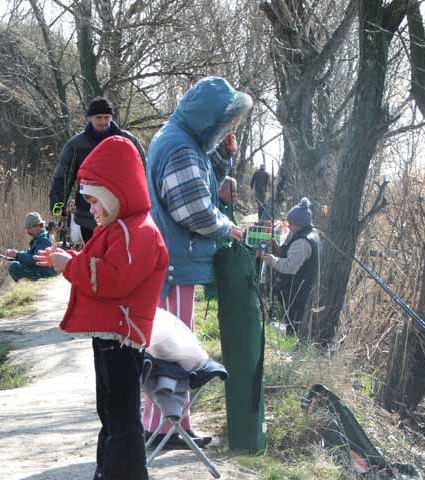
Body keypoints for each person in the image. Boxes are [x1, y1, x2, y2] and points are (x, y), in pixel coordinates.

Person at [35, 135, 169, 480]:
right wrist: (68, 259)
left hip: (122, 338)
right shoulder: (120, 228)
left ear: (115, 195)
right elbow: (97, 265)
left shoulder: (137, 231)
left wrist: (70, 265)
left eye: (95, 202)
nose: (91, 210)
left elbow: (112, 280)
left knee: (121, 417)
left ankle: (124, 473)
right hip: (111, 336)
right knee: (110, 413)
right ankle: (108, 471)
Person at [144, 76, 252, 448]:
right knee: (173, 350)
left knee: (170, 346)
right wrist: (228, 228)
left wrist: (222, 158)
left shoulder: (178, 139)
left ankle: (171, 426)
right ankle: (164, 429)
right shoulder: (181, 148)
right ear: (208, 116)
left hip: (169, 261)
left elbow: (197, 185)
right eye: (222, 122)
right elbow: (195, 211)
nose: (223, 129)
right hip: (175, 264)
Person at [49, 97, 146, 244]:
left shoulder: (128, 141)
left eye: (107, 117)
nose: (103, 122)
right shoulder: (75, 146)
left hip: (123, 216)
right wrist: (58, 209)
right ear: (90, 118)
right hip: (89, 218)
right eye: (98, 117)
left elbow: (143, 174)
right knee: (94, 257)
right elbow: (62, 179)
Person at [263, 197, 320, 336]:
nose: (288, 226)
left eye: (290, 223)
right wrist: (278, 250)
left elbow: (290, 266)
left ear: (299, 224)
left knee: (293, 325)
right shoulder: (310, 233)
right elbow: (293, 255)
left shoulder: (302, 242)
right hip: (301, 287)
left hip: (299, 291)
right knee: (292, 321)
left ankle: (291, 344)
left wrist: (272, 260)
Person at [5, 212, 56, 282]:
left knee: (14, 266)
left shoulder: (44, 240)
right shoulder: (40, 237)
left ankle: (25, 286)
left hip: (46, 273)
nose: (27, 231)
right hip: (43, 270)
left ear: (37, 226)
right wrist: (16, 256)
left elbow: (36, 259)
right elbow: (31, 254)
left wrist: (18, 255)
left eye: (29, 228)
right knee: (15, 263)